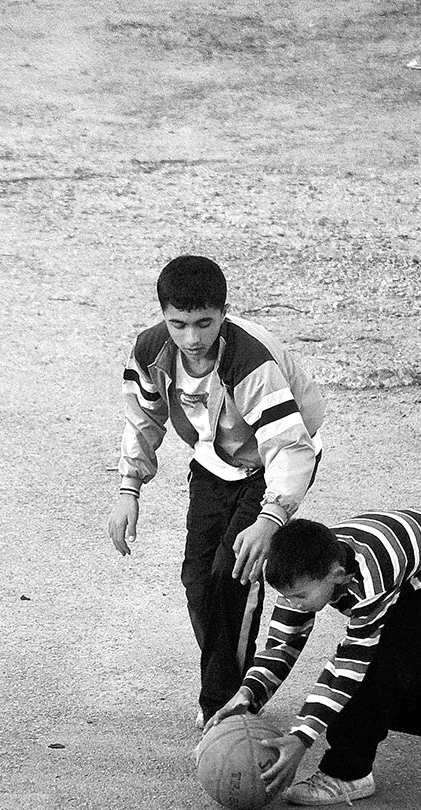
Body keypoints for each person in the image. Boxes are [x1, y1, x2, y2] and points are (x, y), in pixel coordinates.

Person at [107, 255, 325, 727]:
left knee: (233, 575)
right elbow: (142, 419)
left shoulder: (249, 362)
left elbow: (289, 445)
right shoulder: (149, 350)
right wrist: (129, 488)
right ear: (163, 316)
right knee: (197, 581)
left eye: (204, 323)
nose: (192, 338)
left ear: (225, 311)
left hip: (275, 460)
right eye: (179, 324)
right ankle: (235, 683)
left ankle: (223, 705)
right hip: (214, 459)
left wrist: (272, 518)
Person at [206, 511, 421, 807]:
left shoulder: (369, 583)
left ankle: (347, 774)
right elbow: (283, 642)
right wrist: (249, 692)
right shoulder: (307, 567)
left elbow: (349, 666)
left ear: (337, 576)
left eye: (299, 596)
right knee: (381, 682)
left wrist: (301, 738)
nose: (292, 604)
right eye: (286, 596)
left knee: (370, 678)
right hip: (413, 573)